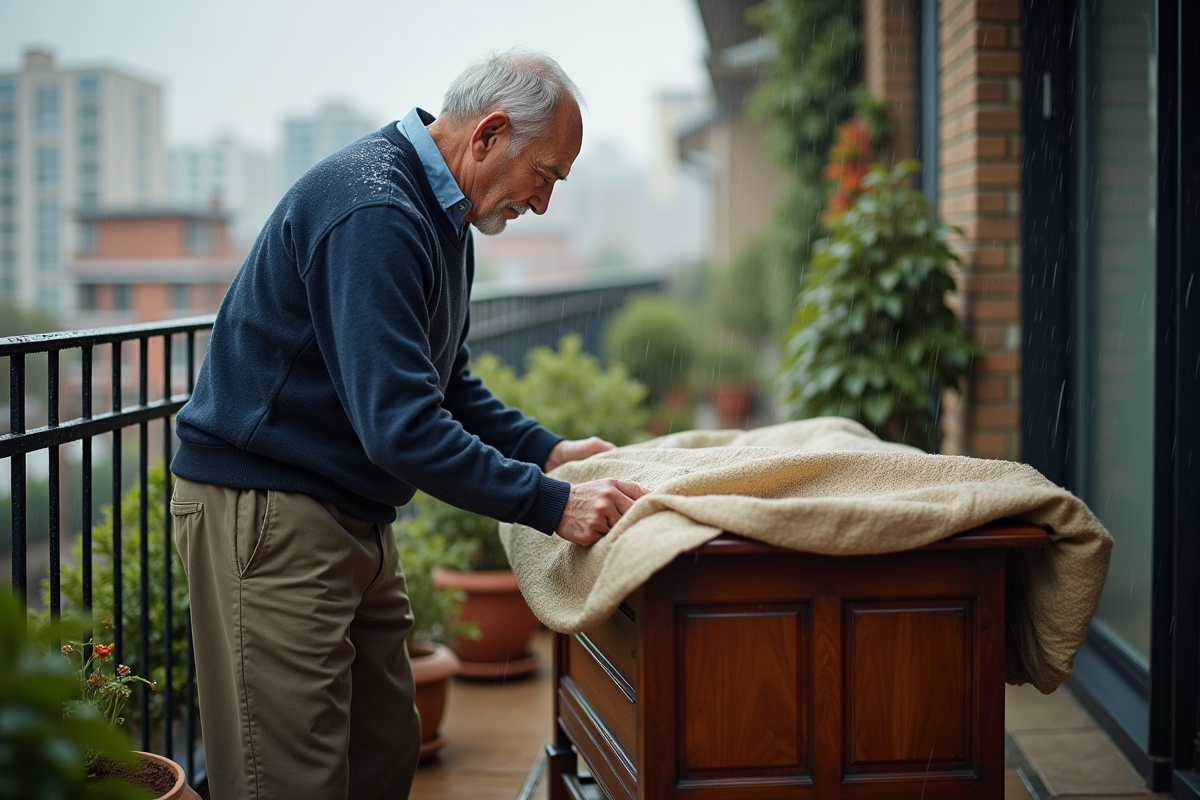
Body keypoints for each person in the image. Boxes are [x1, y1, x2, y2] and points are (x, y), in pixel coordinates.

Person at [169, 48, 645, 800]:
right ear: (487, 135)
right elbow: (401, 427)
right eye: (545, 176)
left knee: (385, 749)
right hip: (269, 514)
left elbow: (444, 384)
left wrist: (549, 451)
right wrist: (554, 504)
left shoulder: (441, 214)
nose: (543, 203)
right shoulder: (378, 211)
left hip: (347, 512)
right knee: (289, 782)